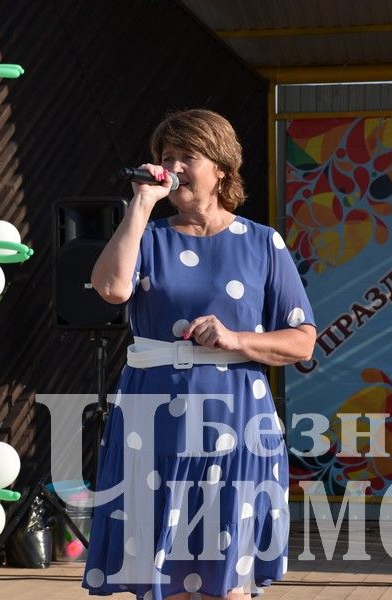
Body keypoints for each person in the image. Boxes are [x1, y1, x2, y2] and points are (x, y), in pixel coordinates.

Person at [82, 109, 316, 600]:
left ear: (222, 170)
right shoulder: (149, 237)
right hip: (153, 421)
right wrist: (141, 205)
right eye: (167, 158)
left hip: (238, 422)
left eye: (188, 156)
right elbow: (109, 287)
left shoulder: (261, 243)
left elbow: (302, 341)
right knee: (163, 576)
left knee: (226, 576)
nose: (175, 167)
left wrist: (236, 339)